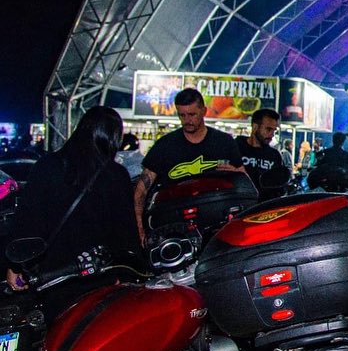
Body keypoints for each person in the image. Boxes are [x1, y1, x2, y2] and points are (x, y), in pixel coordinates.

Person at [8, 107, 142, 320]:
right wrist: (127, 272)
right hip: (97, 276)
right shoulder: (115, 176)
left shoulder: (47, 166)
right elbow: (125, 232)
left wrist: (16, 265)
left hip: (52, 278)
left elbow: (27, 220)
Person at [134, 88, 244, 244]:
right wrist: (139, 228)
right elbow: (141, 191)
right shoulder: (165, 146)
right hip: (174, 228)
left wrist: (237, 176)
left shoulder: (224, 142)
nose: (187, 120)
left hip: (217, 225)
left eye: (192, 114)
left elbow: (244, 182)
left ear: (204, 111)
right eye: (182, 115)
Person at [235, 108, 287, 200]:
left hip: (264, 208)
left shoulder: (274, 155)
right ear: (255, 127)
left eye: (274, 131)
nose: (272, 135)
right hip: (238, 204)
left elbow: (279, 187)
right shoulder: (235, 148)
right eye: (268, 129)